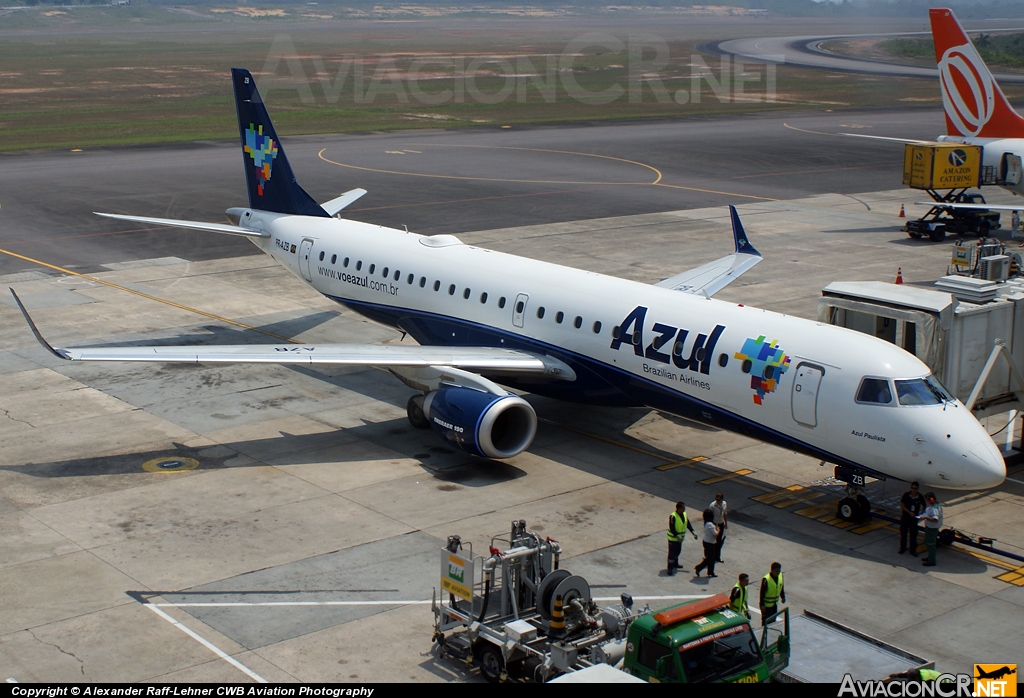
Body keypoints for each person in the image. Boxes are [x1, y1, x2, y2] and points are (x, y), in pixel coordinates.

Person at [666, 501, 697, 575]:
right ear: (679, 508)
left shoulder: (684, 514)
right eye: (683, 508)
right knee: (672, 553)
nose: (684, 509)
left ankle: (675, 563)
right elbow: (672, 527)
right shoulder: (673, 516)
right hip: (673, 538)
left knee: (678, 551)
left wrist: (692, 531)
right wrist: (676, 535)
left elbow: (687, 523)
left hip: (680, 539)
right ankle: (670, 568)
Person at [898, 481, 926, 556]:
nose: (913, 490)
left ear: (917, 489)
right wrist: (909, 512)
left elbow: (924, 505)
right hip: (906, 517)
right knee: (903, 534)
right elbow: (902, 505)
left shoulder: (920, 496)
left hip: (914, 519)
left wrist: (921, 514)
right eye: (912, 488)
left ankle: (913, 550)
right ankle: (902, 548)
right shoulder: (906, 495)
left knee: (913, 535)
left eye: (915, 488)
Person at [918, 492, 943, 567]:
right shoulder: (936, 505)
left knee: (930, 544)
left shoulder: (934, 508)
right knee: (927, 542)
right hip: (931, 527)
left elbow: (935, 519)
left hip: (932, 528)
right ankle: (930, 557)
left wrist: (925, 517)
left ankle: (932, 561)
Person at [693, 509, 721, 578]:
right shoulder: (710, 524)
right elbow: (715, 534)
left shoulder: (707, 523)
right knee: (710, 558)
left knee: (711, 558)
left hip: (707, 542)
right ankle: (699, 567)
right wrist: (719, 530)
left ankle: (710, 572)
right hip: (710, 543)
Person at [709, 492, 728, 563]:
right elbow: (709, 516)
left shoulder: (724, 504)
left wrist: (726, 523)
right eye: (716, 498)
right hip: (714, 524)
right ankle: (709, 555)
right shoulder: (712, 505)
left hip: (721, 524)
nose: (717, 500)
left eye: (719, 498)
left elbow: (725, 513)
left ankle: (717, 556)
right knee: (713, 540)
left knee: (719, 541)